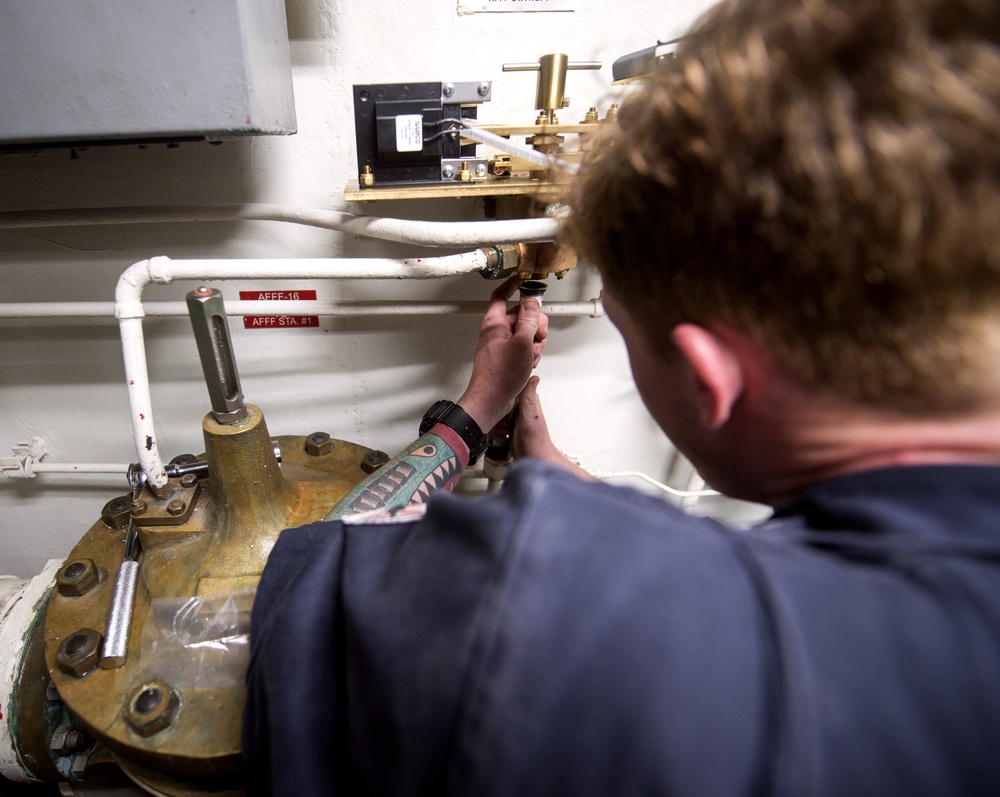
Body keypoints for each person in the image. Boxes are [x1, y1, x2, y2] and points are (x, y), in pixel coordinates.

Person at [243, 0, 1000, 793]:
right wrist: (558, 473)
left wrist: (473, 416)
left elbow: (317, 578)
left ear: (712, 381)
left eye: (620, 327)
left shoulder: (559, 605)